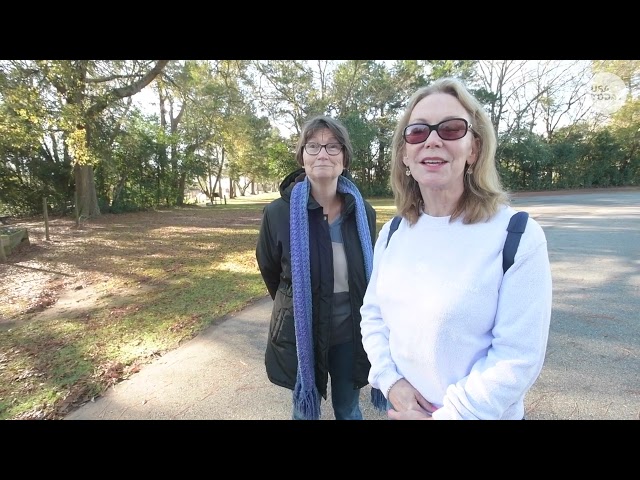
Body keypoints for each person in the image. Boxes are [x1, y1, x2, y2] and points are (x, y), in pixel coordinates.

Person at [359, 77, 553, 420]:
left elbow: (517, 356)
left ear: (474, 149)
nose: (432, 140)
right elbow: (373, 316)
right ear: (405, 152)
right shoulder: (393, 231)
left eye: (450, 129)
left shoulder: (517, 235)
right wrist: (391, 383)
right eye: (417, 132)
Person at [256, 115, 384, 420]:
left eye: (332, 146)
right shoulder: (278, 213)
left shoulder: (362, 211)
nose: (322, 153)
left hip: (351, 331)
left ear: (344, 158)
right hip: (304, 331)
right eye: (313, 146)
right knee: (304, 410)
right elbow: (270, 271)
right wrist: (297, 306)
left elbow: (370, 272)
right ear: (302, 157)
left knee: (348, 407)